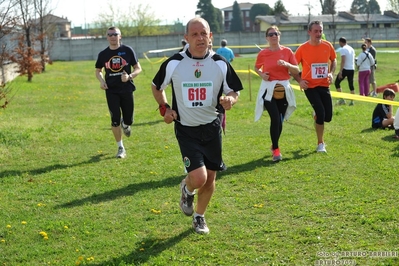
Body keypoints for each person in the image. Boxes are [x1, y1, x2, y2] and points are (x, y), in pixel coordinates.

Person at [151, 17, 243, 234]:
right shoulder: (174, 62)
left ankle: (199, 217)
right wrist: (165, 109)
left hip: (212, 127)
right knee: (198, 177)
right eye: (195, 34)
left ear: (211, 36)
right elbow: (156, 87)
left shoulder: (220, 62)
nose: (200, 38)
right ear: (186, 38)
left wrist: (231, 100)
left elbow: (234, 90)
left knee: (210, 178)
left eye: (204, 33)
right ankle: (187, 187)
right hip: (186, 129)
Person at [254, 26, 299, 162]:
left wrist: (287, 64)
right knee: (274, 118)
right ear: (267, 38)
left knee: (280, 120)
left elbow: (297, 69)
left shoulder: (287, 51)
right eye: (271, 34)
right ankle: (277, 150)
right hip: (268, 88)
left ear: (279, 36)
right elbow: (257, 67)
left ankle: (273, 145)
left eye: (276, 34)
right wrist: (262, 74)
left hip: (283, 88)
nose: (274, 36)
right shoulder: (263, 53)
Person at [95, 26, 142, 158]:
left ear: (120, 36)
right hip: (111, 91)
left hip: (126, 89)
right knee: (114, 119)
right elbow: (98, 71)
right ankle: (121, 148)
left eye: (115, 34)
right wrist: (102, 81)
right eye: (110, 35)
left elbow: (138, 68)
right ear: (107, 37)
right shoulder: (103, 54)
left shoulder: (127, 51)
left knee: (129, 119)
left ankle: (125, 124)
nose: (112, 37)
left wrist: (130, 77)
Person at [293, 20, 337, 153]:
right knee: (321, 112)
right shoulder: (302, 48)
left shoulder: (327, 46)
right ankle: (320, 143)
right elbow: (293, 68)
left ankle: (317, 115)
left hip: (324, 85)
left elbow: (333, 59)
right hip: (310, 86)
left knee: (327, 116)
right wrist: (300, 80)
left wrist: (331, 73)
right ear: (309, 32)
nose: (318, 34)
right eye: (316, 31)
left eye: (320, 31)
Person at [335, 37, 355, 106]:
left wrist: (340, 71)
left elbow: (343, 60)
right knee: (351, 85)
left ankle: (342, 99)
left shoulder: (343, 49)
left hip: (345, 69)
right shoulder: (351, 48)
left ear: (341, 42)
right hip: (352, 68)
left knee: (337, 83)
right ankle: (352, 101)